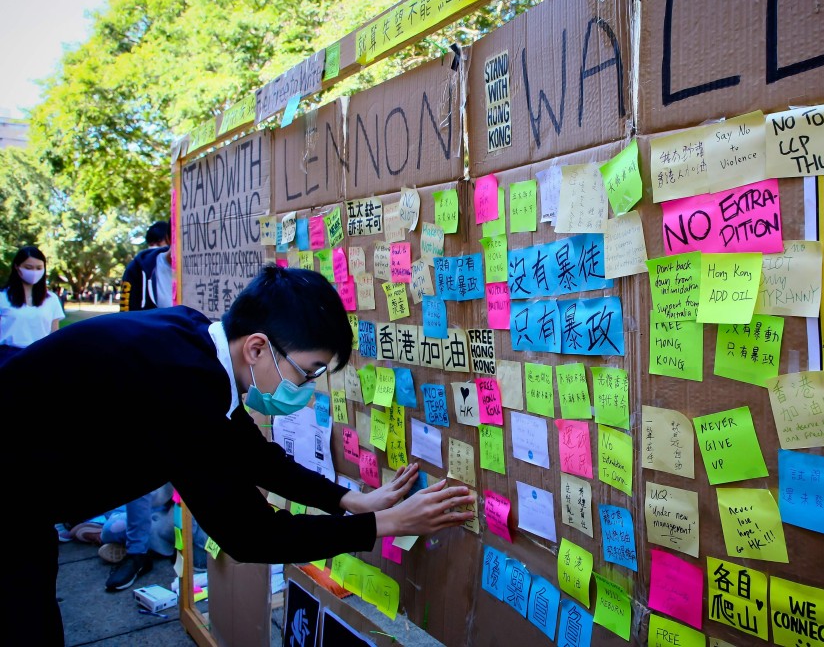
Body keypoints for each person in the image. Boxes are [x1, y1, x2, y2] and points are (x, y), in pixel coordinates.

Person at [0, 264, 473, 645]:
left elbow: (251, 453)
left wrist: (351, 501)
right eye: (308, 372)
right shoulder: (183, 386)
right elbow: (251, 535)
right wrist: (387, 524)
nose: (307, 388)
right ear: (258, 347)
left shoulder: (194, 342)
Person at [103, 220, 176, 592]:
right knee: (137, 468)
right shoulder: (143, 268)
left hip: (191, 383)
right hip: (148, 379)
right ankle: (135, 551)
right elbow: (126, 322)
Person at [0, 246, 65, 367]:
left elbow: (54, 335)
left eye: (39, 268)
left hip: (40, 357)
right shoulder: (2, 297)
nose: (34, 272)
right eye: (28, 267)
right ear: (17, 267)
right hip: (7, 357)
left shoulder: (51, 299)